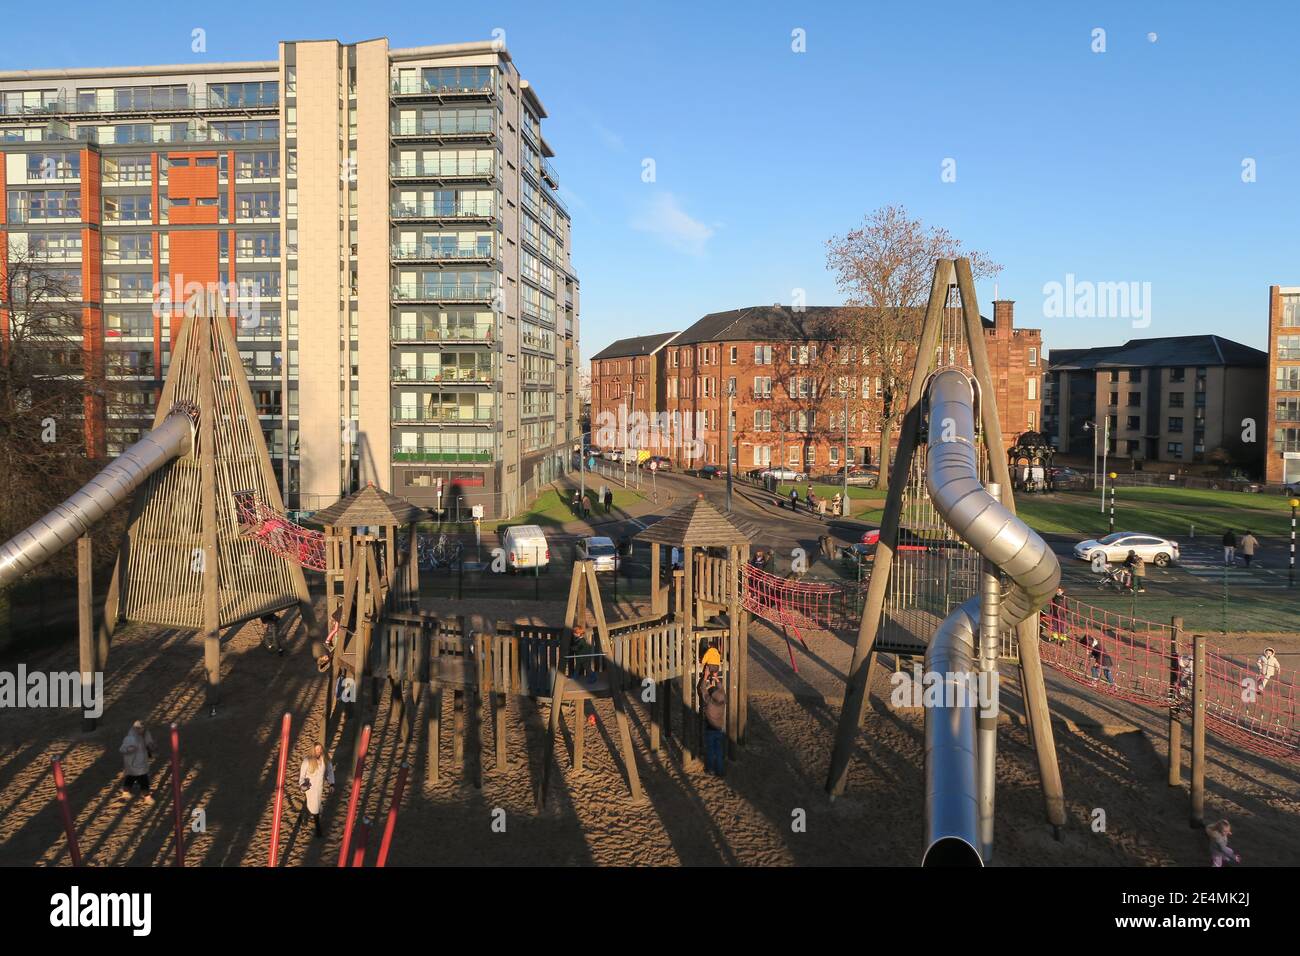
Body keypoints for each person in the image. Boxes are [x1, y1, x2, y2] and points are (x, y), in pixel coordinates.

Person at [697, 647, 727, 775]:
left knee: (710, 750)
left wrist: (705, 676)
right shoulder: (722, 700)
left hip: (710, 729)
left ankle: (709, 769)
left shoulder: (709, 701)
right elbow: (721, 690)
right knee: (718, 751)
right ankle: (720, 771)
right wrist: (716, 678)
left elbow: (702, 689)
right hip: (719, 728)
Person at [298, 743, 335, 838]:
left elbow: (329, 771)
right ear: (313, 750)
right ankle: (318, 829)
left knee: (315, 805)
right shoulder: (307, 761)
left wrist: (331, 783)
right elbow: (302, 776)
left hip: (319, 788)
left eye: (320, 749)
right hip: (310, 788)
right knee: (314, 807)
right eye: (316, 749)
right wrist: (303, 785)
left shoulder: (325, 759)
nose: (318, 751)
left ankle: (304, 816)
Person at [118, 720, 156, 805]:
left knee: (131, 777)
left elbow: (149, 744)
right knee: (142, 779)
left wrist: (151, 746)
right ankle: (147, 797)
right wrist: (129, 749)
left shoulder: (146, 734)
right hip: (132, 763)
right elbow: (122, 749)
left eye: (143, 728)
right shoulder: (130, 738)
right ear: (135, 729)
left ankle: (126, 792)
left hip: (142, 761)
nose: (141, 730)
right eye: (139, 728)